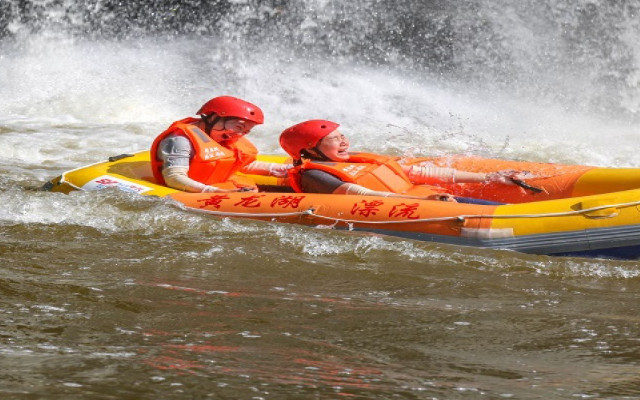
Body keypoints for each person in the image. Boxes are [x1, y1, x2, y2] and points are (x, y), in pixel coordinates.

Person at [278, 120, 517, 203]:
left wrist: (488, 177)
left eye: (343, 136)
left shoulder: (359, 160)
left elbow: (421, 174)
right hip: (417, 205)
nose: (344, 142)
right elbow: (363, 195)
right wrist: (426, 202)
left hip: (427, 198)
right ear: (311, 148)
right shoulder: (314, 174)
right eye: (333, 139)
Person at [151, 96, 289, 193]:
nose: (240, 135)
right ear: (213, 117)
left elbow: (244, 164)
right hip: (195, 191)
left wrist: (288, 169)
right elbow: (174, 178)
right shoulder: (179, 140)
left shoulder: (224, 137)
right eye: (239, 127)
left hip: (219, 186)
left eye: (246, 131)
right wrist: (212, 191)